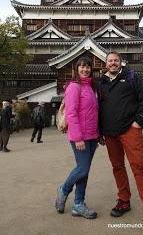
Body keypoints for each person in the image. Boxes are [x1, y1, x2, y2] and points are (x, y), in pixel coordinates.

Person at [98, 51, 143, 235]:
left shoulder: (131, 77)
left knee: (139, 168)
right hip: (110, 134)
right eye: (110, 61)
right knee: (117, 167)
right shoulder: (101, 83)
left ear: (121, 62)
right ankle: (124, 200)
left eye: (116, 60)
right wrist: (99, 130)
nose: (113, 63)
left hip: (129, 130)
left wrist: (138, 122)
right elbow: (97, 107)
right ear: (105, 63)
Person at [55, 56, 99, 219]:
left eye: (88, 67)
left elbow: (95, 113)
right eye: (82, 67)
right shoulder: (74, 87)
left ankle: (78, 204)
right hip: (80, 136)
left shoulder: (91, 87)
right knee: (82, 169)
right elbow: (72, 113)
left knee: (84, 172)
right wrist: (78, 138)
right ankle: (64, 189)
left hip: (93, 136)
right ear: (76, 69)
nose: (85, 69)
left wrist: (98, 134)